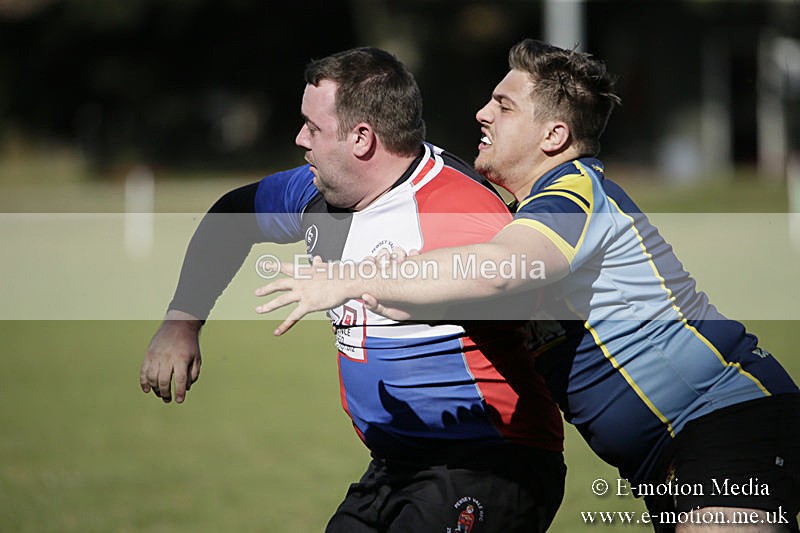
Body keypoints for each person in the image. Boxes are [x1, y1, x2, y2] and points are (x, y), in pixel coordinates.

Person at [255, 39, 800, 532]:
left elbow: (502, 269)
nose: (482, 113)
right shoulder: (526, 214)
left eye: (505, 105)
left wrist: (354, 276)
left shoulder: (574, 193)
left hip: (725, 419)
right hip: (668, 456)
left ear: (554, 135)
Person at [139, 46, 567, 532]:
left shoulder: (457, 208)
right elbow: (231, 217)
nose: (300, 139)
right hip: (394, 467)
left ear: (362, 138)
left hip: (491, 460)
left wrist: (397, 285)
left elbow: (523, 289)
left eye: (313, 127)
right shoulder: (318, 192)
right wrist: (182, 322)